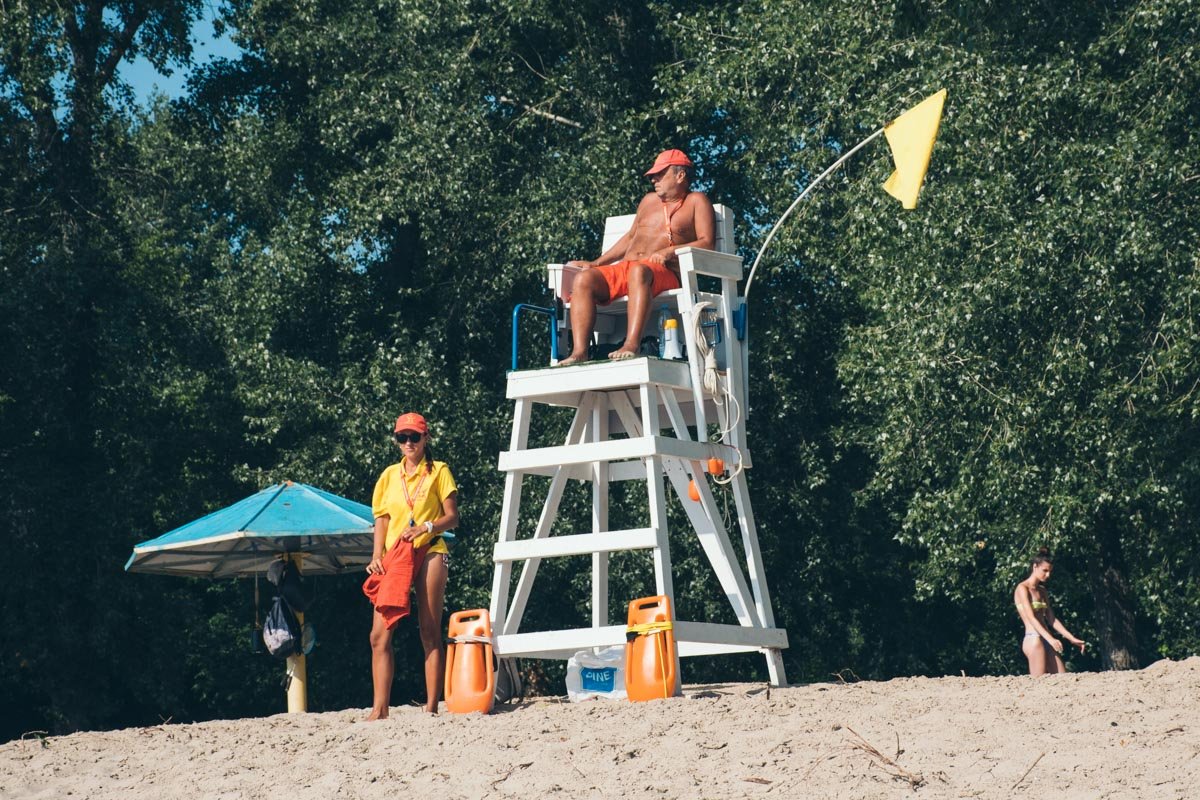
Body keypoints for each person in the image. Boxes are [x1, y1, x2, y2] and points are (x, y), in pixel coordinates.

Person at [558, 148, 717, 365]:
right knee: (584, 279)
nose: (654, 179)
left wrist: (670, 251)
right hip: (628, 268)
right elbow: (631, 236)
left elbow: (707, 242)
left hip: (663, 272)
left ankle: (632, 344)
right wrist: (596, 263)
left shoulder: (697, 201)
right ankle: (579, 352)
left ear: (680, 176)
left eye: (661, 174)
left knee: (639, 270)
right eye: (653, 175)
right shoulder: (649, 201)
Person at [364, 412, 459, 718]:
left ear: (425, 438)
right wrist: (376, 555)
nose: (408, 443)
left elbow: (452, 516)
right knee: (378, 634)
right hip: (396, 555)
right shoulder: (389, 475)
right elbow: (382, 519)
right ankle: (380, 709)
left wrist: (427, 527)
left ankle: (431, 707)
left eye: (414, 437)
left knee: (429, 630)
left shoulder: (439, 470)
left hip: (430, 549)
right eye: (402, 437)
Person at [1014, 548, 1086, 675]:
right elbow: (1031, 617)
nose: (1048, 575)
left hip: (1047, 638)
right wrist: (1051, 639)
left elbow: (1051, 619)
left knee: (1062, 679)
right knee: (1039, 684)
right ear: (1035, 567)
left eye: (1050, 571)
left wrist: (1071, 638)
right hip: (1034, 639)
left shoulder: (1042, 591)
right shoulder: (1022, 588)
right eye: (1045, 571)